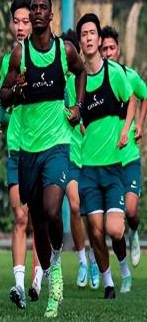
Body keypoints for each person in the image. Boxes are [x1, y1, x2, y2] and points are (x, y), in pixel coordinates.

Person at [0, 0, 86, 318]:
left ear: (51, 15)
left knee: (52, 209)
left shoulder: (65, 51)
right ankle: (50, 270)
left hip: (57, 145)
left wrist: (78, 106)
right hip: (28, 151)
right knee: (38, 220)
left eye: (42, 8)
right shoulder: (19, 54)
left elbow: (81, 73)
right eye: (33, 8)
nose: (37, 12)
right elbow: (3, 96)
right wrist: (16, 89)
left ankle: (57, 274)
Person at [75, 14, 135, 299]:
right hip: (88, 169)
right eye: (84, 34)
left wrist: (125, 130)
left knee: (114, 230)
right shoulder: (77, 81)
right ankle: (108, 282)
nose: (88, 38)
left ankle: (124, 270)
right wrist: (76, 121)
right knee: (96, 232)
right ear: (80, 42)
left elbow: (131, 99)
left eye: (92, 33)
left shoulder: (114, 73)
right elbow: (71, 112)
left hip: (112, 167)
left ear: (99, 39)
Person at [0, 0, 43, 309]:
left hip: (42, 147)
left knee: (39, 217)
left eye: (26, 21)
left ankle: (40, 278)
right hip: (16, 148)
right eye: (17, 21)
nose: (21, 27)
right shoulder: (9, 59)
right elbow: (3, 96)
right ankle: (20, 286)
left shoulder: (47, 57)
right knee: (21, 215)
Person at [101, 25, 146, 272]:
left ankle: (135, 233)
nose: (108, 52)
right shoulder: (95, 80)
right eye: (104, 49)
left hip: (128, 157)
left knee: (131, 211)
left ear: (118, 50)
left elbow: (144, 95)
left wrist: (139, 124)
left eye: (111, 48)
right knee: (110, 223)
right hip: (107, 161)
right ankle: (117, 268)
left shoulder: (129, 76)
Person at [60, 29, 100, 290]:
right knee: (75, 206)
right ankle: (83, 260)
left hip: (93, 156)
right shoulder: (57, 82)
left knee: (93, 214)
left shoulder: (87, 80)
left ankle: (96, 260)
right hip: (70, 154)